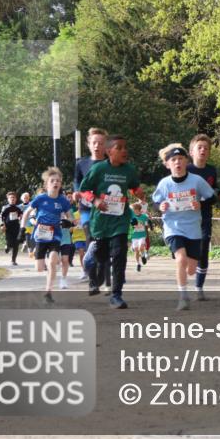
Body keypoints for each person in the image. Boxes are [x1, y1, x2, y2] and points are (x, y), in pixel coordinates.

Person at [78, 134, 144, 309]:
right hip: (100, 223)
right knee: (102, 257)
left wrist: (138, 192)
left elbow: (134, 186)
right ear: (109, 151)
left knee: (119, 256)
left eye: (125, 147)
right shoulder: (99, 169)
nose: (124, 151)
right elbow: (84, 190)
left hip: (120, 222)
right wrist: (96, 201)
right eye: (119, 148)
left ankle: (116, 295)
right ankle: (95, 273)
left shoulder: (128, 170)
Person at [152, 143, 215, 310]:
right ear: (168, 164)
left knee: (192, 270)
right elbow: (155, 201)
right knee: (180, 259)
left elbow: (210, 197)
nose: (177, 163)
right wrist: (160, 207)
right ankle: (183, 297)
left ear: (186, 161)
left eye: (180, 159)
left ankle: (186, 276)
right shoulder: (164, 184)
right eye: (173, 160)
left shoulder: (197, 181)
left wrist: (200, 203)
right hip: (173, 227)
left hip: (193, 228)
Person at [21, 168, 75, 304]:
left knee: (52, 262)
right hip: (40, 236)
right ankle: (39, 259)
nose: (55, 183)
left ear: (60, 184)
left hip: (55, 236)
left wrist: (68, 222)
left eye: (58, 181)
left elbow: (71, 216)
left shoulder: (63, 201)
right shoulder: (41, 198)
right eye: (52, 181)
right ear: (47, 184)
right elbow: (27, 212)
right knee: (39, 268)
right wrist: (22, 229)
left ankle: (48, 292)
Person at [186, 133, 220, 300]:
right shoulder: (186, 170)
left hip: (204, 215)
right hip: (187, 216)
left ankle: (199, 287)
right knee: (187, 249)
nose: (203, 150)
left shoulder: (211, 170)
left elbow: (214, 187)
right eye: (200, 147)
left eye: (206, 148)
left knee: (203, 248)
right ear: (192, 152)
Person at [75, 128, 108, 284]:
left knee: (104, 239)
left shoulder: (111, 163)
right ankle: (90, 269)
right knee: (90, 235)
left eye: (101, 143)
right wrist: (76, 193)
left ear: (105, 145)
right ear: (89, 144)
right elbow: (77, 182)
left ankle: (105, 269)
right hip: (87, 206)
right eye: (94, 142)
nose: (97, 146)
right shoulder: (81, 163)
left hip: (106, 207)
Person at [0, 191, 24, 266]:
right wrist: (2, 225)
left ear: (16, 199)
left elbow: (21, 215)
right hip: (8, 228)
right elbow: (0, 217)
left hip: (16, 227)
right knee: (9, 242)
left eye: (14, 198)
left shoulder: (18, 207)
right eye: (11, 198)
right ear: (8, 199)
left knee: (16, 244)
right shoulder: (5, 208)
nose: (12, 199)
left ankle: (13, 260)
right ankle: (8, 246)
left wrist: (21, 217)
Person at [130, 202, 152, 272]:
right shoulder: (131, 217)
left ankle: (142, 255)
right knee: (136, 250)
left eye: (133, 209)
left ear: (137, 209)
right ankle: (138, 264)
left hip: (142, 235)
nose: (132, 211)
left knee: (141, 248)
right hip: (134, 236)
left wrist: (149, 226)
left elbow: (146, 225)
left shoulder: (144, 217)